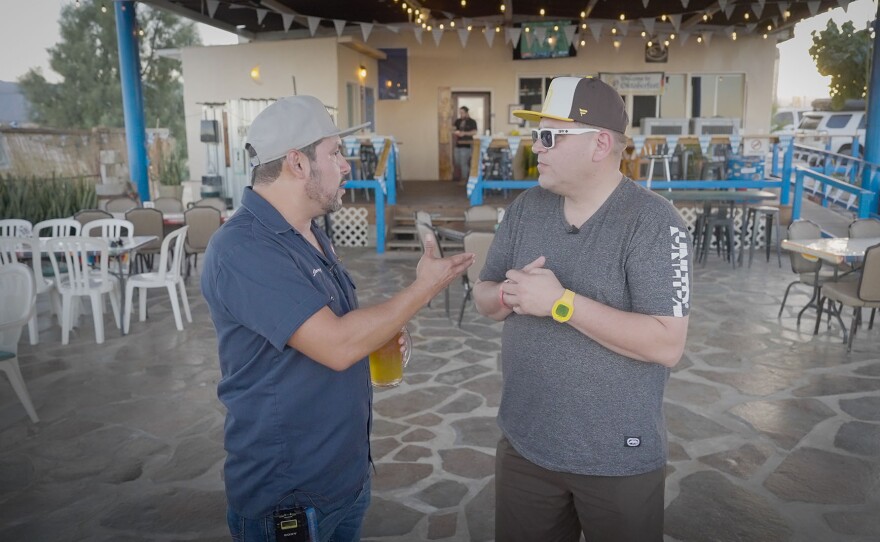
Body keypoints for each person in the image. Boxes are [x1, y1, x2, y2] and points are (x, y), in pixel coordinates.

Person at [201, 95, 474, 542]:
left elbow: (340, 334)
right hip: (289, 496)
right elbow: (337, 344)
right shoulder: (243, 249)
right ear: (297, 164)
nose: (346, 166)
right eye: (335, 153)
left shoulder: (308, 234)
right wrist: (423, 287)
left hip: (342, 478)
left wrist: (382, 333)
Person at [473, 77, 692, 542]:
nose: (537, 147)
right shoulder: (526, 209)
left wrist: (561, 304)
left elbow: (667, 343)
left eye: (550, 136)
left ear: (600, 144)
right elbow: (485, 295)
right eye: (536, 135)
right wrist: (508, 296)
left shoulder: (653, 223)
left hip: (617, 457)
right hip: (525, 445)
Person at [452, 105, 478, 182]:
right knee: (457, 162)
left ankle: (464, 179)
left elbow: (474, 132)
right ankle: (467, 175)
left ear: (467, 113)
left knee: (464, 162)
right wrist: (454, 131)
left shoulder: (472, 122)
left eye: (462, 113)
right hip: (458, 145)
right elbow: (454, 129)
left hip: (467, 145)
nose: (461, 114)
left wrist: (464, 133)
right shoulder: (458, 121)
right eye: (460, 113)